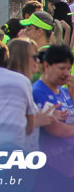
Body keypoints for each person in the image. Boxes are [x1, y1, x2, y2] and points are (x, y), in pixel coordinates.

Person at [0, 39, 53, 152]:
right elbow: (10, 130)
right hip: (9, 155)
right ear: (22, 59)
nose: (38, 60)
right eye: (34, 57)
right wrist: (38, 121)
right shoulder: (21, 83)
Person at [31, 43, 74, 177]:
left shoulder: (65, 91)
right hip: (51, 168)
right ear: (46, 66)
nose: (66, 73)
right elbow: (57, 129)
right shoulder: (38, 92)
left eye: (69, 68)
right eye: (62, 68)